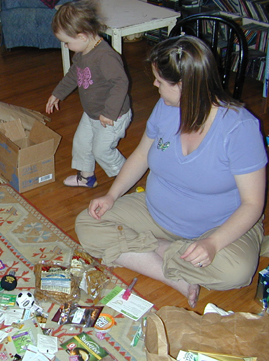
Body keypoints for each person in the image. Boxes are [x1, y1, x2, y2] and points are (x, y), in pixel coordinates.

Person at [75, 36, 267, 308]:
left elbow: (253, 204)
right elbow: (142, 154)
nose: (154, 85)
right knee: (88, 222)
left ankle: (151, 247)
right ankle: (175, 273)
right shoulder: (166, 107)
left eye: (160, 81)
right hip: (156, 213)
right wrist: (112, 195)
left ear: (184, 86)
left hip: (217, 226)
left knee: (237, 272)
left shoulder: (239, 129)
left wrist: (213, 243)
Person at [46, 0, 132, 188]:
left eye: (67, 42)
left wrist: (109, 112)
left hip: (113, 115)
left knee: (101, 150)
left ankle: (127, 177)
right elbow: (73, 75)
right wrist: (58, 93)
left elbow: (120, 82)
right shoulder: (83, 53)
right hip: (92, 113)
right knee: (81, 143)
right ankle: (87, 178)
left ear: (82, 36)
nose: (66, 46)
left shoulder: (105, 56)